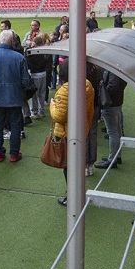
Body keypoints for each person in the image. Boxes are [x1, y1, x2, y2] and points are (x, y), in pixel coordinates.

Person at [0, 29, 32, 163]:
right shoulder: (19, 57)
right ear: (12, 41)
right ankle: (14, 153)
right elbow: (25, 81)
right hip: (15, 97)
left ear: (0, 40)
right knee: (15, 125)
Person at [49, 76, 95, 206]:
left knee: (68, 167)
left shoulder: (65, 90)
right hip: (80, 131)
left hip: (66, 134)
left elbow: (59, 116)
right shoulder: (87, 85)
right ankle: (77, 195)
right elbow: (90, 111)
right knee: (76, 165)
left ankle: (73, 197)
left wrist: (52, 106)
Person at [92, 69, 127, 169]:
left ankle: (112, 159)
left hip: (111, 104)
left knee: (113, 132)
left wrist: (102, 95)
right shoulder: (119, 69)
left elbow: (113, 86)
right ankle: (116, 156)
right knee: (117, 130)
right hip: (117, 102)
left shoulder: (113, 70)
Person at [25, 32, 52, 118]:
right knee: (42, 93)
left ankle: (35, 111)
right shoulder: (43, 51)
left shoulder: (32, 52)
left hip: (35, 74)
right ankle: (42, 110)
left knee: (34, 94)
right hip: (43, 73)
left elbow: (28, 62)